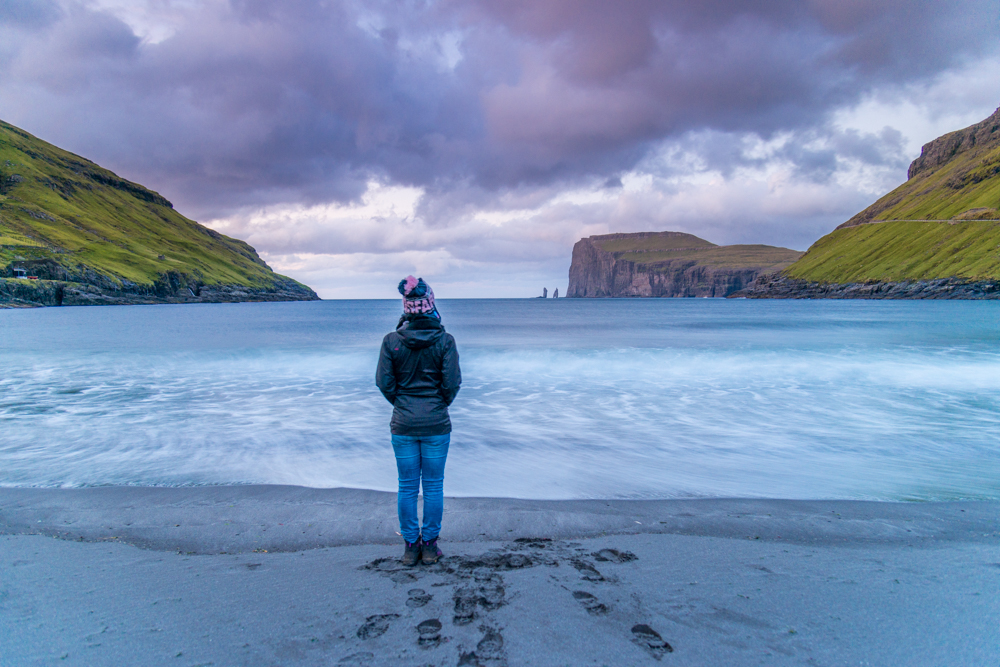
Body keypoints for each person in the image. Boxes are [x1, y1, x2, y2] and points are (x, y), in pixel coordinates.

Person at [376, 276, 461, 566]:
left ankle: (411, 547)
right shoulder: (445, 341)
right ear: (430, 307)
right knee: (434, 485)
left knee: (408, 486)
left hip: (404, 424)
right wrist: (437, 405)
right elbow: (452, 384)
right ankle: (430, 547)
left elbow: (384, 384)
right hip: (436, 423)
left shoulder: (391, 342)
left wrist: (402, 404)